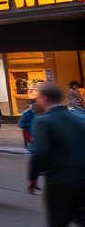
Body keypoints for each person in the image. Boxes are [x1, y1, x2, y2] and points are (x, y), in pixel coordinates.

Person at [28, 83, 85, 227]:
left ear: (44, 98)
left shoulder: (43, 121)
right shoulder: (79, 118)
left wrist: (33, 177)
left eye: (38, 97)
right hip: (82, 179)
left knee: (58, 221)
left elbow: (40, 152)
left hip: (60, 182)